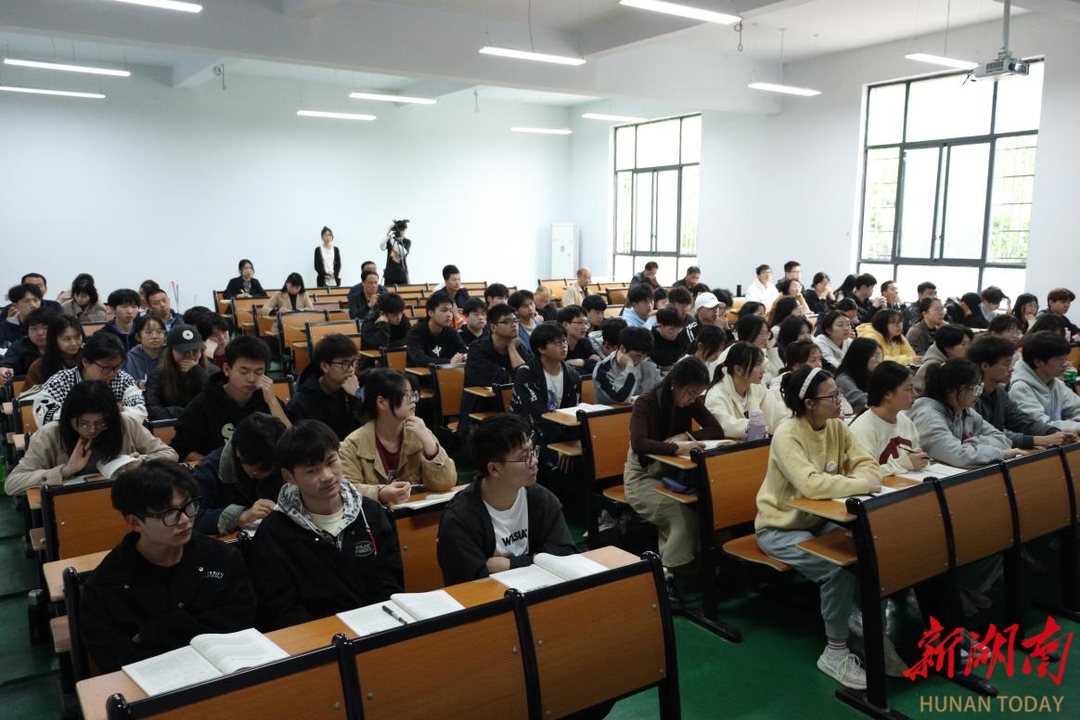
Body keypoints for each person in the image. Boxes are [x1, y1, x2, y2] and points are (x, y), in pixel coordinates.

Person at [755, 366, 889, 688]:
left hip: (820, 522)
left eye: (838, 393)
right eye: (832, 396)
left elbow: (869, 464)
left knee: (873, 550)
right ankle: (834, 651)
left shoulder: (836, 426)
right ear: (809, 403)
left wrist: (861, 479)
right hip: (779, 528)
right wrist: (861, 483)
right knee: (836, 568)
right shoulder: (788, 434)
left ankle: (873, 630)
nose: (839, 400)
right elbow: (811, 485)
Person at [79, 461, 255, 672]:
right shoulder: (105, 586)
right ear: (135, 522)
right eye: (168, 513)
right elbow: (116, 660)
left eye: (189, 505)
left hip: (224, 674)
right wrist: (196, 628)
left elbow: (240, 624)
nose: (185, 520)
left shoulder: (222, 557)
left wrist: (155, 632)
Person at [249, 420, 403, 631]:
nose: (327, 476)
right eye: (312, 470)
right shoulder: (273, 534)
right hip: (315, 639)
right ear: (289, 476)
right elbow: (282, 609)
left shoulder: (370, 514)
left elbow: (389, 582)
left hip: (377, 629)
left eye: (331, 462)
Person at [624, 357, 723, 605]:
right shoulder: (646, 402)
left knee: (705, 508)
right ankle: (666, 576)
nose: (692, 399)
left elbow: (715, 429)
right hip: (643, 476)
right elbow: (639, 443)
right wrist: (676, 448)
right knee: (679, 514)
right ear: (674, 384)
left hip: (674, 474)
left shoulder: (688, 400)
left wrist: (686, 435)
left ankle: (692, 569)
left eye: (697, 394)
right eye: (690, 393)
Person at [437, 413, 577, 585]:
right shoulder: (459, 519)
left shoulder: (542, 500)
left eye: (533, 451)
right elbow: (468, 583)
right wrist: (535, 561)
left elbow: (565, 554)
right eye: (524, 457)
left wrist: (511, 565)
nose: (534, 461)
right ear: (494, 469)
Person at [6, 380, 178, 495]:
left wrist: (142, 462)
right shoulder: (50, 434)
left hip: (124, 498)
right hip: (72, 507)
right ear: (69, 417)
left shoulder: (125, 423)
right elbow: (12, 483)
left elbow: (170, 454)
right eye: (83, 423)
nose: (92, 430)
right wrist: (65, 471)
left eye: (101, 423)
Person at [340, 368, 456, 503]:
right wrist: (380, 493)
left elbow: (446, 483)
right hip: (378, 514)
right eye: (407, 395)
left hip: (415, 512)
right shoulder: (352, 445)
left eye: (414, 394)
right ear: (381, 402)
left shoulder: (420, 433)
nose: (414, 399)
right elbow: (346, 490)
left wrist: (430, 446)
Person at [170, 335, 290, 462]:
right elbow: (181, 449)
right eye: (244, 371)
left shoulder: (268, 400)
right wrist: (218, 467)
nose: (251, 379)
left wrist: (272, 401)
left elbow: (292, 443)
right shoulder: (203, 404)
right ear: (227, 369)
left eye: (259, 372)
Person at [967, 334, 1073, 449]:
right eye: (1006, 364)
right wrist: (1036, 440)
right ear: (985, 366)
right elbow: (982, 436)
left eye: (1011, 363)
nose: (1011, 369)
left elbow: (1021, 421)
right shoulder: (968, 396)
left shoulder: (999, 391)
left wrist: (1054, 432)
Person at [907, 359, 1020, 467]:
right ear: (952, 391)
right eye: (974, 388)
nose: (978, 393)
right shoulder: (928, 416)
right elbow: (958, 457)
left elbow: (1002, 439)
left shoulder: (965, 410)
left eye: (980, 387)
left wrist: (970, 444)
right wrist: (1000, 454)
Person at [192, 413, 287, 536]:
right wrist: (241, 516)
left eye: (272, 469)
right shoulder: (210, 469)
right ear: (238, 451)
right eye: (258, 469)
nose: (266, 474)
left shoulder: (281, 459)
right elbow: (193, 517)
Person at [33, 333, 146, 426]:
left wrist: (122, 411)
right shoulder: (60, 382)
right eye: (106, 367)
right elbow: (44, 417)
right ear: (86, 362)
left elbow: (140, 412)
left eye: (117, 367)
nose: (112, 373)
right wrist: (97, 412)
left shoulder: (123, 379)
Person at [458, 304, 532, 437]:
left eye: (515, 320)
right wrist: (516, 373)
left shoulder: (517, 346)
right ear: (493, 327)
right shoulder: (478, 349)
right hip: (481, 412)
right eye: (507, 321)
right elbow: (503, 380)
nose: (514, 325)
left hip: (514, 408)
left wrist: (511, 348)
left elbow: (530, 375)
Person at [849, 361, 930, 475]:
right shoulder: (863, 429)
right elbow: (863, 473)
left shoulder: (905, 421)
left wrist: (920, 459)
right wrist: (904, 463)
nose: (915, 394)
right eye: (909, 389)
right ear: (887, 394)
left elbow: (916, 454)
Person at [508, 322, 582, 446]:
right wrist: (560, 442)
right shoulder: (526, 373)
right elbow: (535, 413)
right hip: (527, 431)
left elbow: (572, 411)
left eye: (564, 340)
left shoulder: (573, 376)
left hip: (561, 432)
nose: (564, 346)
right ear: (541, 349)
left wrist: (569, 440)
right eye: (557, 342)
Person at [287, 333, 362, 439]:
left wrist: (356, 396)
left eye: (354, 362)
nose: (351, 369)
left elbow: (366, 430)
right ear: (325, 366)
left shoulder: (355, 386)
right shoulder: (303, 401)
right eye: (345, 364)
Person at [705, 341, 786, 438]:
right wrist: (758, 427)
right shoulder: (716, 395)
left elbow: (779, 413)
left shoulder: (758, 387)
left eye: (761, 364)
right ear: (738, 370)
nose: (763, 370)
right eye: (757, 365)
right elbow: (725, 425)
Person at [1008, 330, 1080, 433]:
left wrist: (1073, 424)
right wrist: (1074, 425)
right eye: (1060, 359)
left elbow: (1077, 407)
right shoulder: (1020, 388)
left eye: (1066, 358)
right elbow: (1041, 426)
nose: (1066, 364)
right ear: (1038, 362)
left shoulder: (1054, 382)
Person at [145, 324, 217, 421]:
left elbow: (218, 401)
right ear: (171, 352)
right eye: (184, 351)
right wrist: (187, 413)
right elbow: (152, 410)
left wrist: (197, 373)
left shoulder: (213, 371)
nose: (190, 355)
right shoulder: (158, 374)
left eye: (195, 350)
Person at [592, 326, 662, 405]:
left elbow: (663, 389)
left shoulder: (648, 364)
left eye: (644, 356)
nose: (640, 360)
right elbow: (620, 398)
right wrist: (629, 367)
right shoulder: (602, 369)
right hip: (613, 412)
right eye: (637, 356)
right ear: (622, 349)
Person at [405, 291, 468, 367]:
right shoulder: (415, 332)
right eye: (444, 310)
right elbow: (420, 359)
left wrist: (465, 356)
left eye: (451, 311)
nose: (449, 315)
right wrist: (449, 362)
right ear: (431, 313)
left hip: (447, 372)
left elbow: (463, 350)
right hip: (420, 373)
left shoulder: (451, 332)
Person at [0, 306, 56, 383]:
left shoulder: (61, 344)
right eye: (34, 328)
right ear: (27, 330)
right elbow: (7, 363)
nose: (40, 333)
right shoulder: (20, 346)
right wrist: (3, 370)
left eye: (45, 328)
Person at [914, 324, 973, 393]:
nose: (969, 348)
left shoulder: (958, 361)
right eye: (963, 344)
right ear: (948, 347)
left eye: (969, 343)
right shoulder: (932, 366)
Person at [834, 337, 881, 416]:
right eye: (875, 355)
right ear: (862, 357)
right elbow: (863, 401)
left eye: (880, 355)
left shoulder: (870, 374)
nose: (879, 360)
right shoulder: (843, 380)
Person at [123, 314, 167, 386]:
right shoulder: (129, 358)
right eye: (149, 332)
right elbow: (123, 383)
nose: (154, 336)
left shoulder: (170, 355)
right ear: (138, 337)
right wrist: (138, 384)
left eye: (159, 332)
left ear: (165, 336)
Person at [558, 304, 601, 374]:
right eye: (580, 323)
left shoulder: (585, 343)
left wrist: (582, 362)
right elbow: (559, 368)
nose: (585, 327)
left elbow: (598, 365)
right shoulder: (558, 345)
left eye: (586, 323)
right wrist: (588, 363)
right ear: (565, 324)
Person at [381, 219, 411, 285]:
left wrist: (392, 240)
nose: (401, 232)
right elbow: (382, 246)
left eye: (403, 230)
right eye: (399, 229)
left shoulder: (407, 241)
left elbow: (404, 252)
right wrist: (388, 234)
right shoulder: (390, 239)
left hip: (402, 273)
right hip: (389, 273)